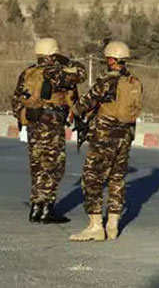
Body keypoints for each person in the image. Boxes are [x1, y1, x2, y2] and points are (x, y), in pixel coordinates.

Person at [69, 41, 143, 242]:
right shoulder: (134, 81)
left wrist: (73, 111)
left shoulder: (106, 80)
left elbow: (86, 103)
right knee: (117, 178)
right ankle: (113, 225)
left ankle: (95, 226)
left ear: (110, 59)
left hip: (105, 136)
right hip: (125, 135)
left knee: (92, 177)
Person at [11, 38, 86, 223]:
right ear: (53, 54)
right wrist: (66, 61)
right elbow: (81, 74)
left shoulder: (28, 73)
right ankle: (47, 209)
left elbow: (16, 101)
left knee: (37, 166)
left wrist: (24, 118)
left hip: (33, 124)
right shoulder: (56, 73)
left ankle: (36, 207)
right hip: (51, 125)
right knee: (53, 167)